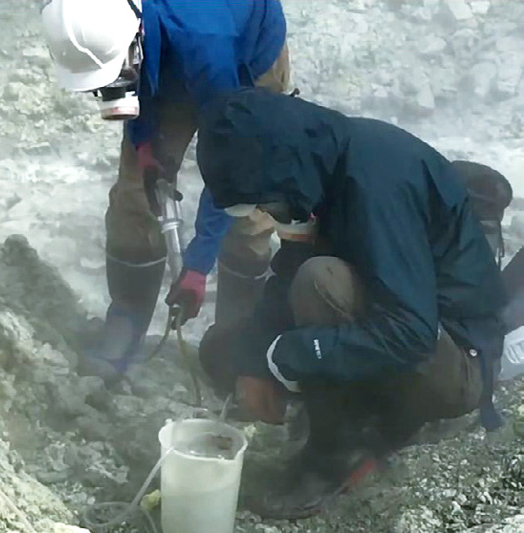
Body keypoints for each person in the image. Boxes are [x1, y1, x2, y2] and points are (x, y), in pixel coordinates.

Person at [194, 87, 507, 518]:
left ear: (281, 168)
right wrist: (254, 361)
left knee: (320, 283)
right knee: (224, 350)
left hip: (455, 358)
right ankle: (351, 408)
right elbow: (288, 270)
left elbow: (411, 334)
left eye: (266, 201)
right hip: (395, 324)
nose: (270, 212)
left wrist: (286, 358)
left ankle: (337, 454)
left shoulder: (376, 182)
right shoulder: (319, 164)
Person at [41, 0, 292, 380]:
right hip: (168, 45)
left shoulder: (207, 44)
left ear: (135, 40)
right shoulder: (93, 15)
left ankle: (235, 339)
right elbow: (130, 89)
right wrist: (144, 143)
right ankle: (126, 317)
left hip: (245, 61)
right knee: (134, 195)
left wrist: (197, 265)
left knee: (250, 207)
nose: (112, 89)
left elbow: (233, 164)